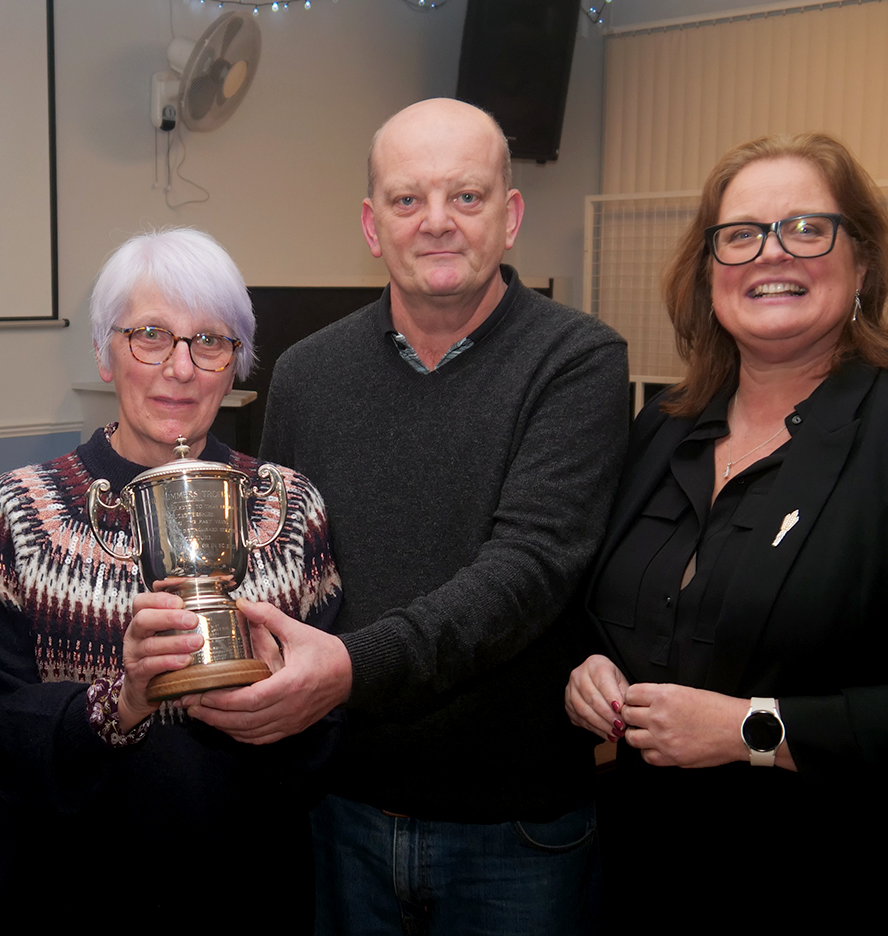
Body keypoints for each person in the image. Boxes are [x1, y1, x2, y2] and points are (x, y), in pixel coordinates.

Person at [564, 133, 888, 932]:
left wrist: (753, 729)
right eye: (741, 234)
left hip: (854, 882)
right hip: (652, 875)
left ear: (862, 262)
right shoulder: (663, 427)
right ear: (708, 271)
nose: (769, 253)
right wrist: (589, 667)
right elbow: (609, 605)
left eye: (806, 228)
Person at [190, 99, 628, 933]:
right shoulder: (309, 374)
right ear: (370, 224)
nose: (436, 223)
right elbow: (282, 572)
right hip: (338, 813)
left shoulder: (578, 361)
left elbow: (528, 572)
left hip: (516, 830)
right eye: (406, 200)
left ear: (510, 217)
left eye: (466, 197)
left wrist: (349, 669)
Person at [0, 228, 342, 933]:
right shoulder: (21, 510)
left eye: (210, 342)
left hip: (251, 897)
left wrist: (286, 703)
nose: (181, 368)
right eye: (151, 336)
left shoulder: (292, 508)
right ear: (106, 354)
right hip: (73, 900)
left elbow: (335, 727)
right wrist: (121, 701)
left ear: (236, 366)